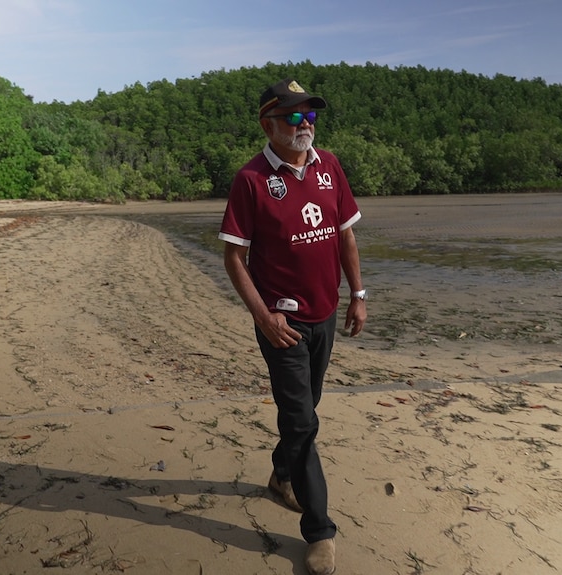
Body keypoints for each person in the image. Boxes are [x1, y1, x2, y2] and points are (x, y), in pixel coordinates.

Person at [218, 78, 367, 575]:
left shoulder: (329, 166)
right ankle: (320, 531)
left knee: (304, 413)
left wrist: (357, 295)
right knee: (302, 421)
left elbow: (344, 236)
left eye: (311, 116)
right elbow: (234, 257)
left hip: (326, 314)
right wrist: (262, 315)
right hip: (283, 325)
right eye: (293, 117)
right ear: (268, 124)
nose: (305, 125)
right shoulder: (252, 179)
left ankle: (282, 474)